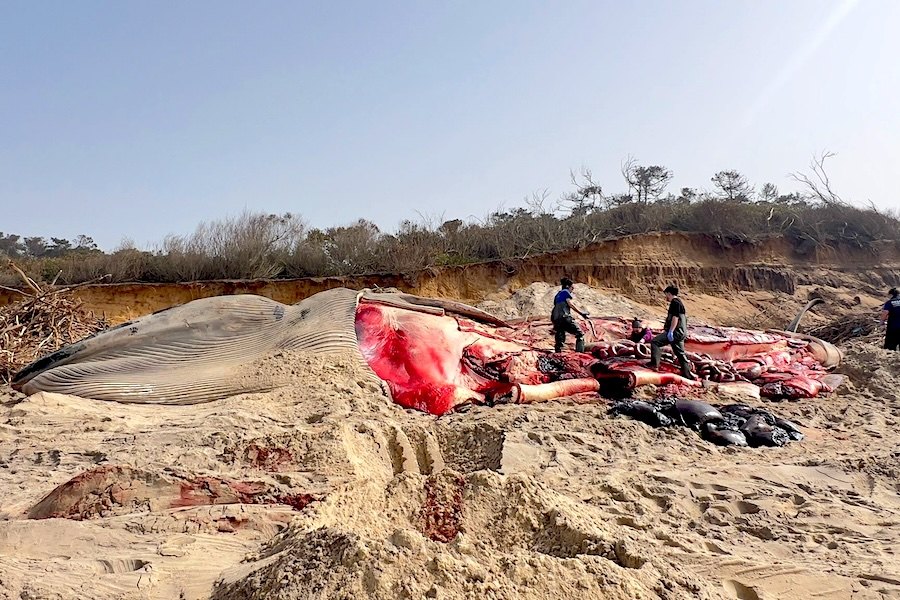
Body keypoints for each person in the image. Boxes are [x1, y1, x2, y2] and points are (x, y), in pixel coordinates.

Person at [648, 285, 694, 379]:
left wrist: (671, 331)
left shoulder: (675, 302)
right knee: (680, 353)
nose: (665, 297)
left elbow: (675, 317)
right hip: (681, 332)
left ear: (669, 293)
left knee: (655, 342)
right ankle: (687, 374)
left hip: (676, 332)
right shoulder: (680, 302)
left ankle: (654, 365)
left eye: (666, 294)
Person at [552, 277, 589, 353]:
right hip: (564, 317)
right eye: (572, 288)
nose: (572, 290)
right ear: (567, 286)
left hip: (556, 319)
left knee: (560, 336)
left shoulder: (557, 295)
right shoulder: (565, 292)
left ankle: (558, 353)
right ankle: (580, 354)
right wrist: (581, 313)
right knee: (580, 334)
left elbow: (556, 306)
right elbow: (570, 304)